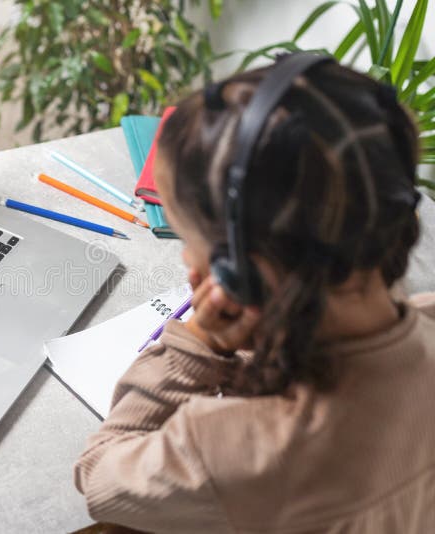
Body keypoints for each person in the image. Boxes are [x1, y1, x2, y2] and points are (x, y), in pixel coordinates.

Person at [74, 56, 435, 533]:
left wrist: (197, 345)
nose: (187, 261)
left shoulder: (225, 448)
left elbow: (99, 477)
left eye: (189, 244)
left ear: (241, 272)